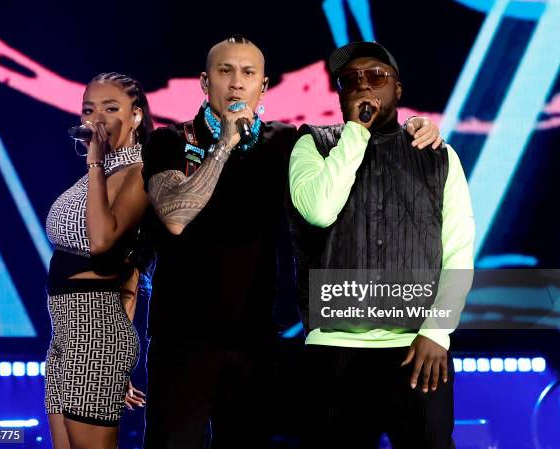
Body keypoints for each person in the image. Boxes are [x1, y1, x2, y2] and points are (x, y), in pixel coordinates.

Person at [141, 35, 441, 449]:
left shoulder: (285, 142)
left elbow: (359, 149)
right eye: (224, 71)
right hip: (184, 340)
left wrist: (410, 127)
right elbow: (174, 217)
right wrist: (226, 142)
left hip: (257, 341)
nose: (236, 83)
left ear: (263, 86)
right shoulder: (171, 141)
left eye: (248, 73)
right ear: (204, 82)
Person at [289, 41, 475, 448]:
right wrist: (355, 133)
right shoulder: (311, 145)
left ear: (398, 89)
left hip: (416, 347)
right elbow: (319, 210)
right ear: (339, 94)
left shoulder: (439, 156)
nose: (363, 85)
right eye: (350, 80)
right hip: (335, 348)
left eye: (376, 76)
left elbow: (458, 251)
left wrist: (437, 333)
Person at [44, 72, 152, 449]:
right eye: (89, 109)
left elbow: (102, 241)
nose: (97, 118)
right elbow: (131, 280)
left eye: (110, 108)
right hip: (68, 331)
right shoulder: (104, 172)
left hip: (94, 333)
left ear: (136, 116)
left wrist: (94, 163)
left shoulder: (136, 172)